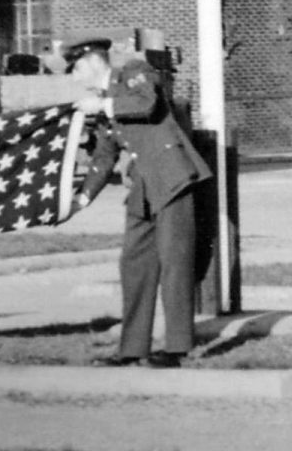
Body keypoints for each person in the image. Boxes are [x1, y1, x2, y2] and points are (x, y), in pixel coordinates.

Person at [70, 35, 211, 369]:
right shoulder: (105, 100)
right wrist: (80, 199)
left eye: (76, 68)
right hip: (143, 189)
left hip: (172, 179)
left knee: (174, 262)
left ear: (93, 61)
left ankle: (178, 347)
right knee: (134, 265)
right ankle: (132, 349)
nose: (75, 77)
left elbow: (147, 104)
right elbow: (104, 158)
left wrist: (104, 107)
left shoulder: (134, 73)